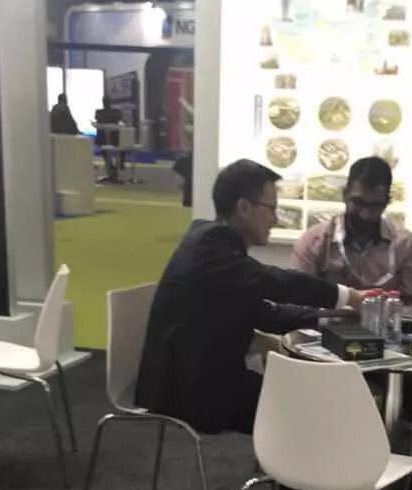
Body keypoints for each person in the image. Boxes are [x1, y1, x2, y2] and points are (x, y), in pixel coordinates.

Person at [135, 159, 365, 434]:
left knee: (306, 398)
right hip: (190, 391)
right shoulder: (212, 248)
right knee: (311, 405)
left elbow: (264, 314)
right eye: (271, 209)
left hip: (198, 376)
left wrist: (332, 318)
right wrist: (348, 296)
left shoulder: (213, 243)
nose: (275, 219)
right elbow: (274, 281)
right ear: (244, 208)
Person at [290, 156, 412, 315]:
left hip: (383, 327)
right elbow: (297, 299)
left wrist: (389, 313)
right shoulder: (313, 241)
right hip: (326, 327)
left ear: (387, 202)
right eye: (358, 203)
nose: (365, 215)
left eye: (376, 205)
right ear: (344, 195)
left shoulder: (405, 244)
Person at [94, 94, 123, 181]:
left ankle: (114, 169)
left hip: (111, 138)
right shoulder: (101, 112)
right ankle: (112, 170)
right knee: (108, 151)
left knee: (116, 150)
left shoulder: (102, 113)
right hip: (108, 138)